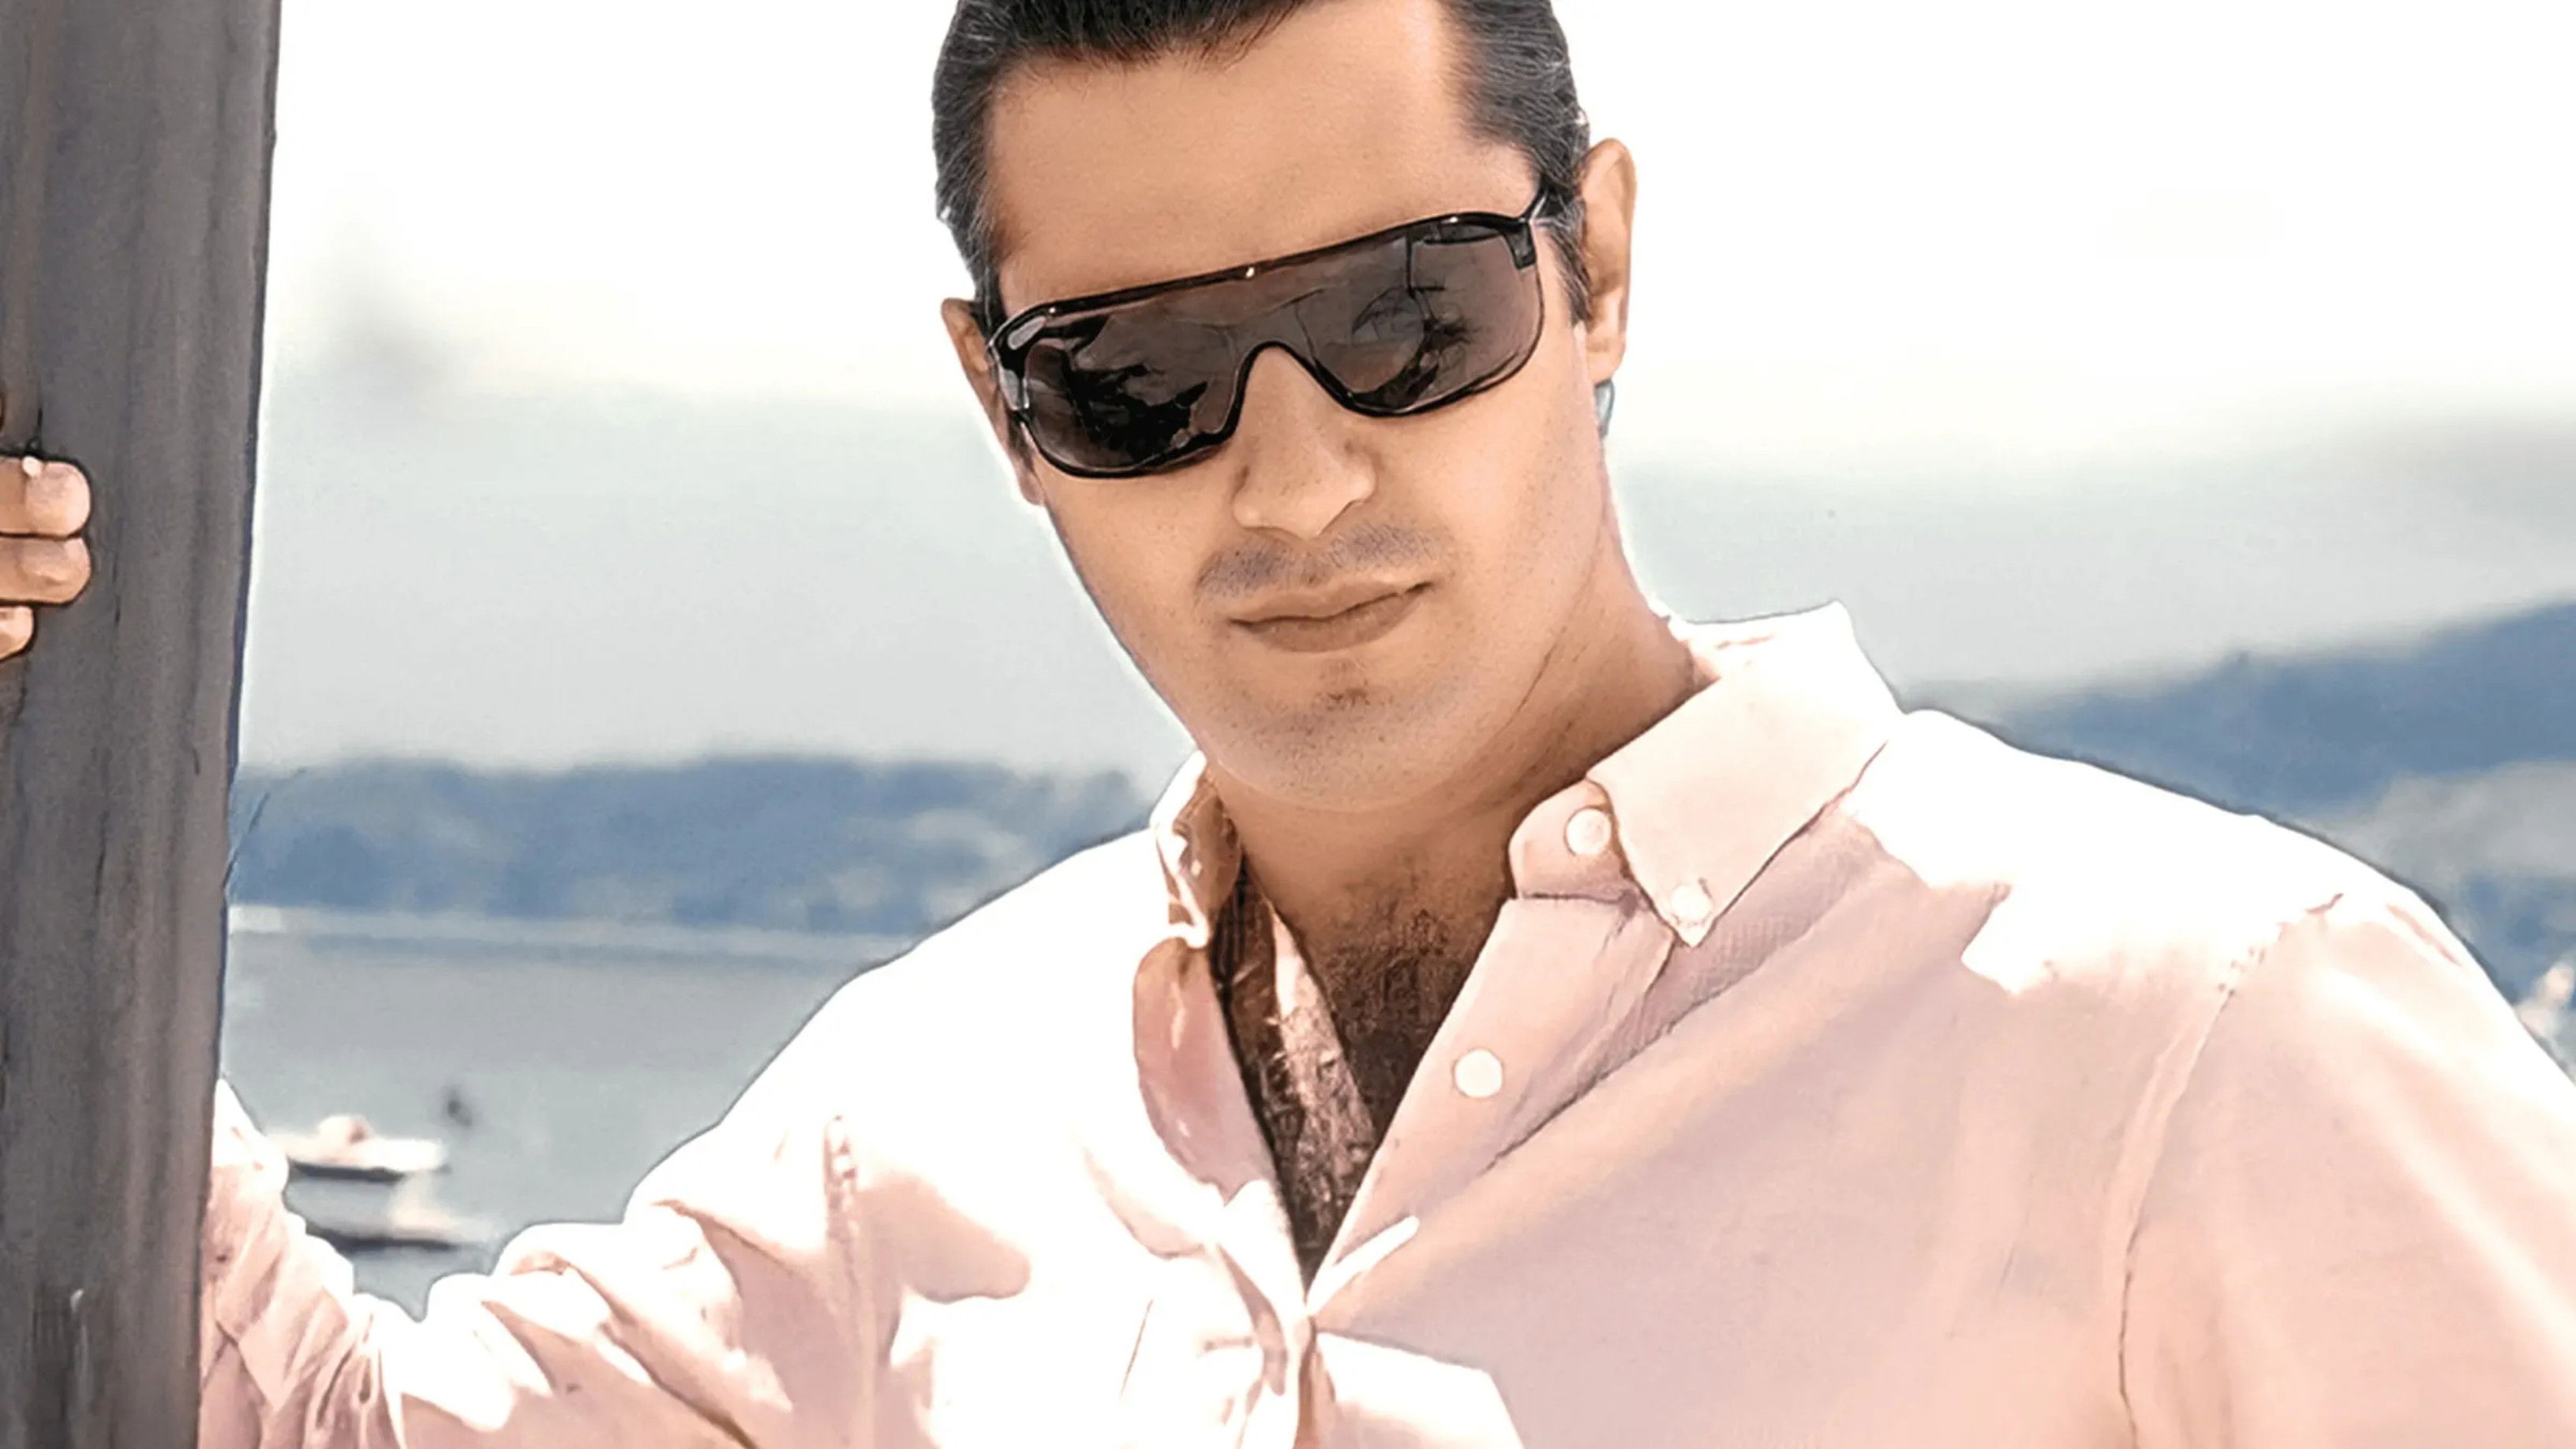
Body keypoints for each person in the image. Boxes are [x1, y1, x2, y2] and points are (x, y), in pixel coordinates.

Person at [10, 0, 2576, 1443]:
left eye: (1400, 315)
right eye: (1135, 375)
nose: (1298, 475)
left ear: (1597, 268)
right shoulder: (930, 1116)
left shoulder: (2206, 1036)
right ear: (1002, 410)